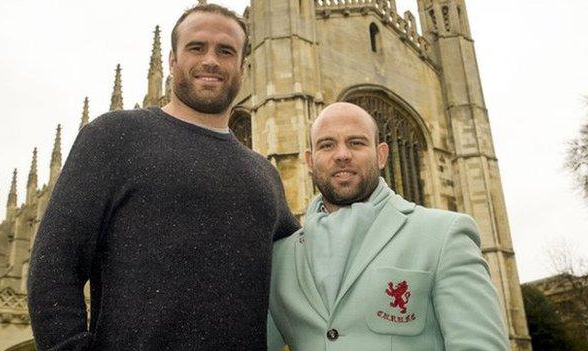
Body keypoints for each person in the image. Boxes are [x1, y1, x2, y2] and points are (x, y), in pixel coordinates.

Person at [28, 4, 298, 350]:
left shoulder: (265, 175)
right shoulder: (113, 136)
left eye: (226, 51)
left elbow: (306, 270)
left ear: (244, 67)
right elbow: (53, 266)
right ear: (171, 61)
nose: (211, 60)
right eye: (196, 47)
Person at [267, 102, 510, 350]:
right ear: (309, 160)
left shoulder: (445, 235)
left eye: (356, 143)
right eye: (327, 145)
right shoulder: (281, 256)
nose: (342, 154)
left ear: (381, 155)